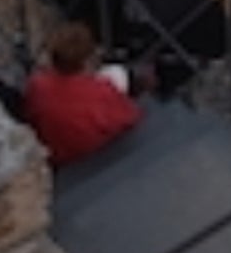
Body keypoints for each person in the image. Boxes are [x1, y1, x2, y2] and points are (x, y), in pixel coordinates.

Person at [23, 20, 148, 165]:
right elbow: (130, 118)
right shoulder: (100, 93)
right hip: (88, 154)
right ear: (86, 61)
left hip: (55, 151)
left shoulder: (37, 85)